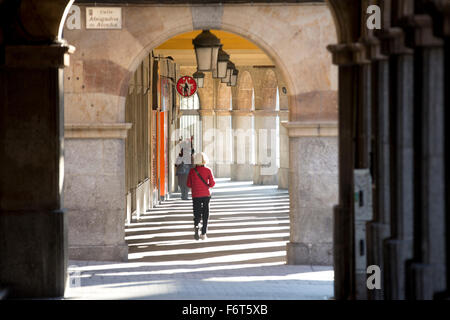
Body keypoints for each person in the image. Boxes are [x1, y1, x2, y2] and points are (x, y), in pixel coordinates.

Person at [186, 152, 215, 240]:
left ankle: (197, 224)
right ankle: (204, 233)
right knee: (206, 213)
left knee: (197, 212)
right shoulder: (208, 170)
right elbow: (212, 183)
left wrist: (195, 186)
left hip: (196, 195)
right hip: (206, 194)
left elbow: (188, 184)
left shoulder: (192, 171)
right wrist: (207, 186)